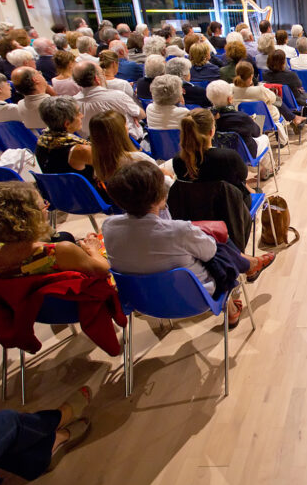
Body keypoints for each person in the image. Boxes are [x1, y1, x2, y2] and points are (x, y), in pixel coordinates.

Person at [102, 160, 264, 327]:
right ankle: (245, 271)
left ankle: (248, 267)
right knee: (218, 244)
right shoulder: (180, 231)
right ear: (161, 193)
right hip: (195, 299)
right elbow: (210, 251)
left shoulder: (109, 227)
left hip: (140, 301)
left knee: (201, 244)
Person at [0, 181, 109, 280]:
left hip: (32, 312)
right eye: (44, 206)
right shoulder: (58, 252)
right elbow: (103, 271)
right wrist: (93, 249)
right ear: (31, 216)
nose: (47, 210)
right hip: (75, 306)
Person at [174, 108, 248, 194]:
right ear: (211, 132)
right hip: (228, 205)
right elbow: (243, 176)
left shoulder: (178, 159)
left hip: (193, 205)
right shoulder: (229, 157)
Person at [89, 109, 167, 190]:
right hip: (151, 194)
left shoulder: (98, 163)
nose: (127, 127)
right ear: (120, 131)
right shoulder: (137, 158)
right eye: (125, 125)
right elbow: (160, 179)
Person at [35, 97, 98, 189]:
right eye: (78, 113)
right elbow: (108, 169)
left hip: (57, 194)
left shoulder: (42, 140)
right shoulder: (81, 150)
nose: (82, 115)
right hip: (85, 197)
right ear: (67, 124)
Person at [205, 80, 271, 165]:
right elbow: (257, 133)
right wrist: (251, 122)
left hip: (217, 156)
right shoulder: (241, 117)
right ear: (230, 99)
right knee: (265, 138)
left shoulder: (206, 117)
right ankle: (265, 172)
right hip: (245, 156)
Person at [73, 61, 143, 139]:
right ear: (97, 79)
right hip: (125, 144)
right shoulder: (117, 96)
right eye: (102, 73)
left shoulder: (73, 103)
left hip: (92, 147)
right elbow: (142, 115)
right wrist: (133, 117)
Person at [233, 61, 298, 144]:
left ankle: (293, 118)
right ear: (251, 76)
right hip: (265, 120)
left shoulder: (231, 88)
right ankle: (291, 120)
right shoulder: (260, 90)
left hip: (243, 120)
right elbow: (273, 98)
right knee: (277, 102)